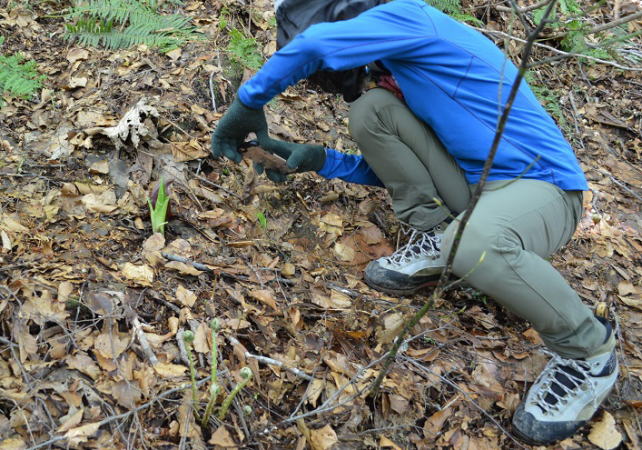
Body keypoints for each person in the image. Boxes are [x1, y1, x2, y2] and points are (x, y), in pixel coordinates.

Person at [210, 0, 618, 445]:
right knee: (372, 111)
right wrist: (322, 160)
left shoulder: (409, 16)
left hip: (545, 189)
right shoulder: (394, 69)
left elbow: (318, 42)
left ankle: (589, 351)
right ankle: (440, 238)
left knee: (475, 242)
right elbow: (406, 165)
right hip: (475, 188)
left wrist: (248, 101)